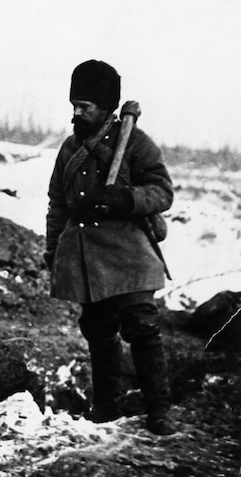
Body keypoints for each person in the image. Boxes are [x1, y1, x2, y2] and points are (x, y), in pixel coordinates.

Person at [44, 60, 176, 435]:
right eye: (75, 104)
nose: (76, 112)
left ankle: (160, 412)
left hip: (129, 253)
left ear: (107, 107)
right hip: (86, 255)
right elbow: (58, 203)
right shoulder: (70, 148)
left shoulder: (134, 141)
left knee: (143, 328)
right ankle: (106, 410)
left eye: (85, 106)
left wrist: (124, 199)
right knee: (99, 330)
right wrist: (54, 251)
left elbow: (163, 191)